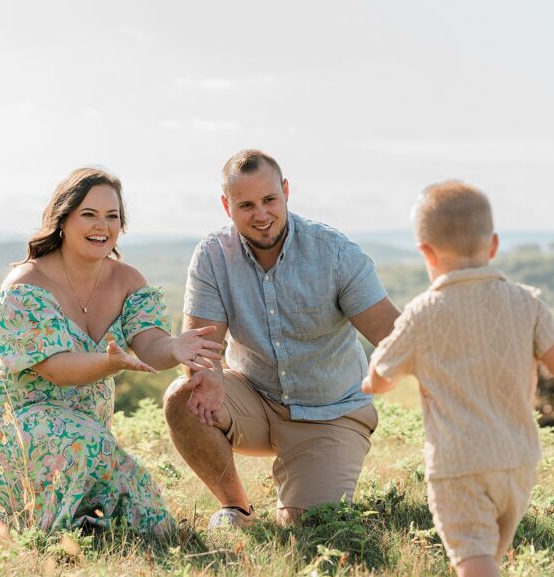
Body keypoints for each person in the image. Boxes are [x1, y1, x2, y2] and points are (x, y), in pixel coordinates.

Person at [362, 180, 554, 577]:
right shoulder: (525, 302)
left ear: (426, 254)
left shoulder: (422, 313)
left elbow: (383, 370)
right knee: (487, 549)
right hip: (517, 457)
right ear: (493, 245)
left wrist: (372, 382)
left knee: (471, 548)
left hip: (458, 461)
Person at [0, 167, 221, 538]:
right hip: (9, 430)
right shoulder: (25, 287)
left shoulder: (127, 280)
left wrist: (175, 347)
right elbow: (57, 369)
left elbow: (150, 346)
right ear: (62, 220)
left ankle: (82, 526)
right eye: (89, 215)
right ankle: (37, 526)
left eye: (112, 216)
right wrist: (107, 363)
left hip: (85, 437)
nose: (103, 226)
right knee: (88, 447)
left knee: (155, 523)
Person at [163, 149, 401, 529]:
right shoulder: (212, 255)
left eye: (269, 200)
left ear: (286, 191)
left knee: (309, 526)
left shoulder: (336, 254)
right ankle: (236, 508)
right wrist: (208, 377)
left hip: (329, 412)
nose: (261, 215)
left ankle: (305, 481)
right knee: (183, 394)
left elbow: (393, 336)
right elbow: (202, 344)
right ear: (227, 207)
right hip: (254, 398)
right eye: (246, 205)